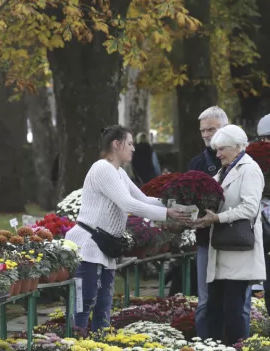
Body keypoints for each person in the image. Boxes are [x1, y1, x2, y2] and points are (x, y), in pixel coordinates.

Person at [67, 126, 190, 331]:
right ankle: (74, 344)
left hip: (106, 246)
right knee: (85, 301)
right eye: (130, 143)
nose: (134, 148)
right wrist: (168, 214)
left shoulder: (119, 172)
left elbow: (142, 199)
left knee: (104, 304)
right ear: (116, 144)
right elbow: (129, 204)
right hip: (89, 245)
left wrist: (175, 205)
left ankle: (100, 346)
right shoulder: (102, 168)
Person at [192, 125, 267, 345]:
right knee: (215, 308)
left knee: (234, 311)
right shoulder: (224, 170)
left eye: (222, 149)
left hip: (239, 250)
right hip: (222, 249)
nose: (217, 154)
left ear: (238, 147)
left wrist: (218, 218)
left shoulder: (250, 169)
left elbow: (250, 208)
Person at [189, 106, 227, 337]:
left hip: (235, 240)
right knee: (204, 300)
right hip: (205, 239)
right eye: (202, 130)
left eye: (211, 129)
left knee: (234, 300)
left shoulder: (243, 161)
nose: (205, 134)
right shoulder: (197, 163)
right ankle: (205, 349)